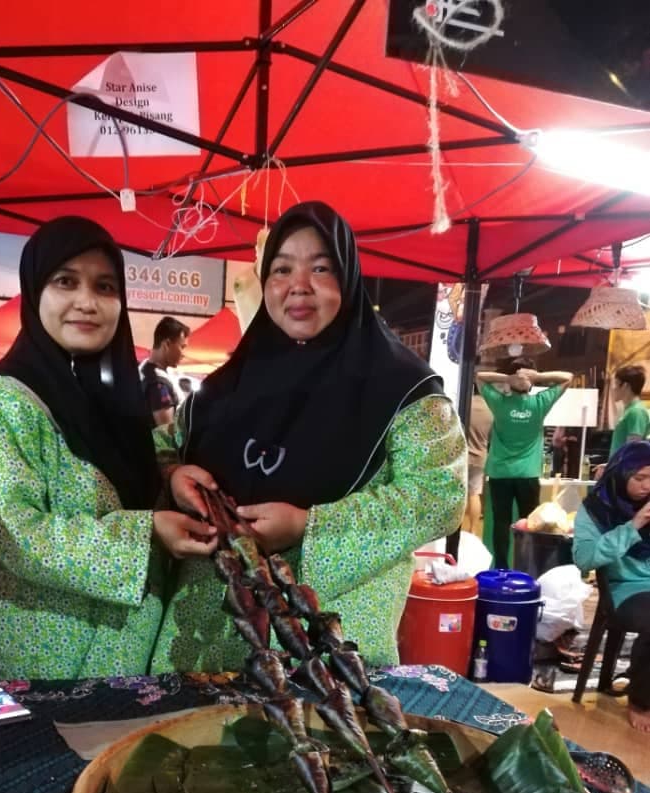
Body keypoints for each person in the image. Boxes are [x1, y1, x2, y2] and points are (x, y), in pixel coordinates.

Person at [149, 201, 466, 673]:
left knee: (319, 741)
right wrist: (175, 473)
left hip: (323, 643)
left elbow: (440, 496)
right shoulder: (225, 386)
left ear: (349, 280)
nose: (298, 285)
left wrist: (308, 525)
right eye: (281, 269)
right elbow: (164, 446)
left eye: (321, 268)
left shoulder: (403, 389)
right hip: (205, 643)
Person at [0, 217, 215, 680]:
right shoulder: (0, 406)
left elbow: (120, 474)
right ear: (35, 291)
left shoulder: (111, 397)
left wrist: (169, 475)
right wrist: (147, 533)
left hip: (139, 653)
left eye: (105, 286)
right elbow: (16, 536)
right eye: (65, 282)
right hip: (60, 666)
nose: (87, 303)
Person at [573, 442, 650, 731]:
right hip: (625, 588)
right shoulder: (596, 509)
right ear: (620, 474)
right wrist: (633, 526)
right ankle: (641, 701)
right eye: (639, 478)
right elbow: (584, 558)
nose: (647, 486)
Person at [476, 360, 572, 568]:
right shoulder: (540, 403)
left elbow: (480, 377)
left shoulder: (499, 403)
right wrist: (536, 377)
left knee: (501, 524)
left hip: (500, 473)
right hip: (528, 474)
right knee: (529, 523)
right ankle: (526, 567)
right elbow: (568, 378)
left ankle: (501, 568)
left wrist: (510, 378)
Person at [140, 316, 190, 426]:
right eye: (182, 347)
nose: (183, 354)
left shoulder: (145, 369)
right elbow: (166, 438)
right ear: (167, 344)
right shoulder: (158, 384)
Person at [462, 388, 492, 536]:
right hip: (480, 456)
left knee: (458, 494)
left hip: (461, 456)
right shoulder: (491, 409)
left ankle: (456, 530)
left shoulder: (465, 403)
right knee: (474, 494)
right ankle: (473, 529)